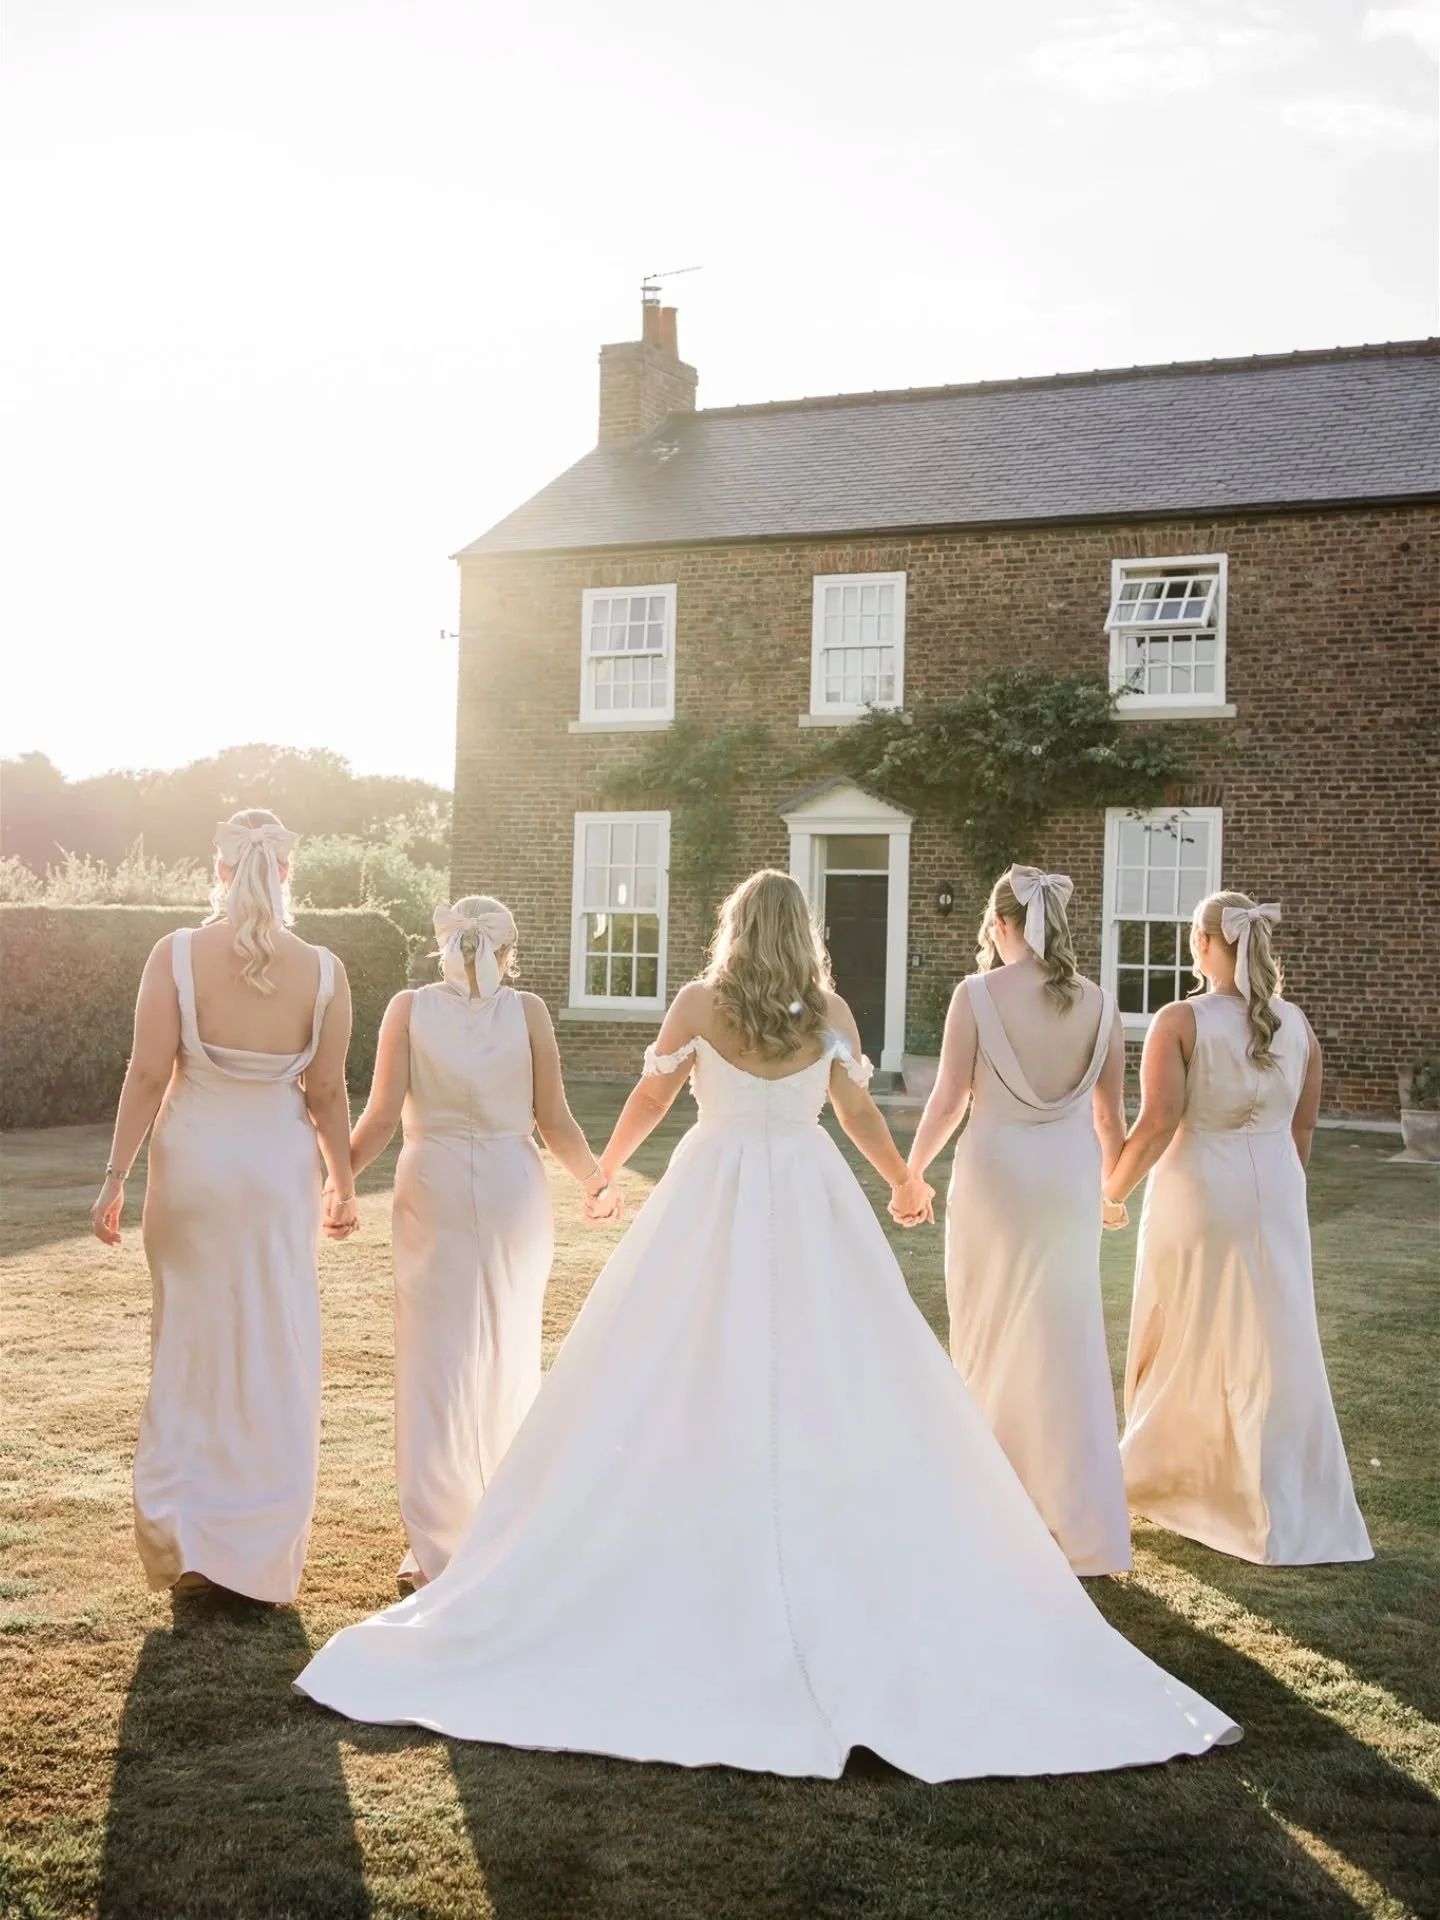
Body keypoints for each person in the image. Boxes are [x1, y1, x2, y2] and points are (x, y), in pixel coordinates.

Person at [295, 870, 1239, 1781]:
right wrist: (901, 1180)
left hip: (712, 1185)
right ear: (806, 938)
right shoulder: (830, 1015)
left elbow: (656, 1097)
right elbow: (856, 1109)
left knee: (687, 1359)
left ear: (736, 930)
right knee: (824, 1367)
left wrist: (609, 1171)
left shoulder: (702, 1005)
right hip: (807, 1183)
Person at [90, 811, 355, 1602]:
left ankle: (186, 1532)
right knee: (273, 1345)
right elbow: (330, 1092)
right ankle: (257, 1550)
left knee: (190, 1345)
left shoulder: (174, 955)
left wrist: (114, 1177)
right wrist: (341, 1182)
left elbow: (145, 1075)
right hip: (277, 1175)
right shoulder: (326, 970)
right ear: (286, 874)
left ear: (217, 870)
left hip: (194, 1170)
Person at [341, 896, 617, 1588]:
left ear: (443, 946)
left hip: (428, 1182)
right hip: (508, 1187)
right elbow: (553, 1119)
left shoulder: (408, 1008)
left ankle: (432, 1545)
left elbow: (378, 1116)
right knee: (506, 1349)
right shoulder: (528, 1013)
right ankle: (503, 1520)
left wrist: (337, 1178)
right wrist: (596, 1181)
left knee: (433, 1356)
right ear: (509, 950)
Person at [1106, 892, 1372, 1566]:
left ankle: (1175, 1475)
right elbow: (1301, 1129)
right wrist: (1279, 1187)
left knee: (1186, 1332)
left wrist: (1107, 1192)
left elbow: (1158, 1121)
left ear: (1201, 943)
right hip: (1277, 1192)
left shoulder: (1180, 1020)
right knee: (1276, 1341)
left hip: (1199, 1192)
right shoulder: (1297, 1023)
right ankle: (1278, 1490)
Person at [906, 867, 1132, 1577]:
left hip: (996, 1177)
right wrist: (1111, 1190)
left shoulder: (976, 995)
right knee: (1064, 1336)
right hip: (1067, 1178)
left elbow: (947, 1100)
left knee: (988, 1328)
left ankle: (987, 1506)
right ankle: (1077, 1519)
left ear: (1004, 926)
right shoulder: (1101, 1004)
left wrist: (911, 1174)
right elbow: (1109, 1119)